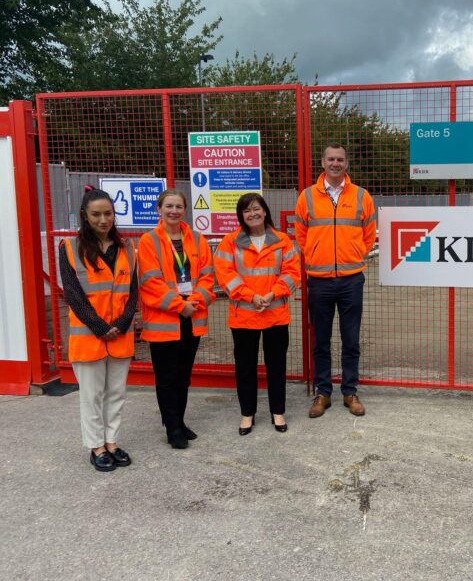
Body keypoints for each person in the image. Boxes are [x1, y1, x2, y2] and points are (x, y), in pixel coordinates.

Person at [294, 143, 376, 418]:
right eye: (331, 159)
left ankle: (350, 391)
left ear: (346, 163)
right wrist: (317, 256)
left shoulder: (362, 196)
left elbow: (369, 235)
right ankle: (323, 393)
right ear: (322, 162)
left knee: (351, 339)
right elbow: (301, 235)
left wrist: (352, 256)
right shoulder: (306, 197)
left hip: (352, 279)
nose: (335, 163)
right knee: (321, 341)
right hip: (319, 281)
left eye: (340, 159)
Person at [59, 186, 137, 472]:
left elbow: (133, 291)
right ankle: (96, 446)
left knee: (116, 392)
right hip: (89, 335)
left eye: (108, 213)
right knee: (92, 395)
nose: (103, 219)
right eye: (96, 214)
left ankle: (112, 441)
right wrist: (100, 327)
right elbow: (73, 293)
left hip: (120, 333)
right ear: (85, 216)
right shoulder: (69, 247)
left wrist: (122, 323)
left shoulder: (127, 247)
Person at [214, 193, 300, 435]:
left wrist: (273, 293)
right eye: (246, 210)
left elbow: (292, 272)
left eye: (256, 209)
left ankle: (278, 412)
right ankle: (247, 414)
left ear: (265, 211)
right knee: (245, 367)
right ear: (241, 216)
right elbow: (225, 275)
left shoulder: (282, 240)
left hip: (275, 314)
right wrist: (250, 296)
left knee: (276, 365)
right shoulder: (229, 242)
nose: (252, 214)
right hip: (244, 316)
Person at [137, 189, 215, 449]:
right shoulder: (148, 241)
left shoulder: (196, 238)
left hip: (191, 317)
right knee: (167, 376)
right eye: (168, 206)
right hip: (166, 319)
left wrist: (193, 302)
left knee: (184, 375)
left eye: (178, 206)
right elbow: (150, 282)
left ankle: (179, 421)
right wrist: (179, 305)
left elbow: (207, 274)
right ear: (159, 209)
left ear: (184, 210)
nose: (173, 211)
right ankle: (172, 427)